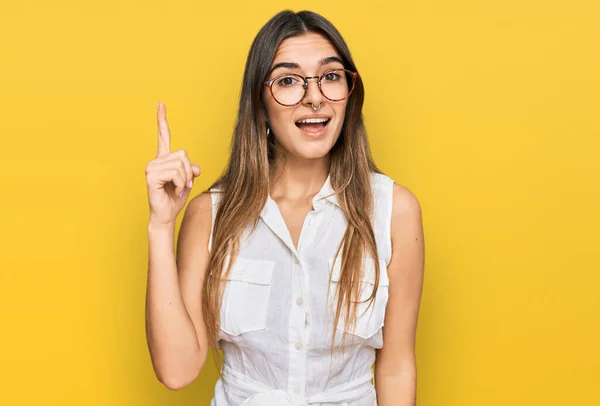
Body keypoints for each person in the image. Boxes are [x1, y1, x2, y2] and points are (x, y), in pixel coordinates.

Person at [144, 9, 424, 406]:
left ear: (350, 92)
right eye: (289, 81)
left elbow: (396, 366)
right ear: (260, 102)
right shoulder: (210, 215)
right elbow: (177, 369)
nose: (314, 97)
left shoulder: (394, 211)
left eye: (330, 76)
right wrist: (160, 225)